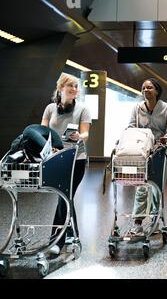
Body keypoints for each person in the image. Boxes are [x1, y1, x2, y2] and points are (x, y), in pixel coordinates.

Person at [41, 73, 92, 256]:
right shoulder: (49, 109)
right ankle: (72, 232)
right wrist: (49, 147)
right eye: (70, 85)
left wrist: (79, 136)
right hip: (55, 159)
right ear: (60, 88)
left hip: (76, 159)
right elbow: (43, 132)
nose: (74, 89)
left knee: (64, 195)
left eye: (76, 86)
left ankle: (56, 240)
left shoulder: (83, 109)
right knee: (65, 197)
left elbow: (85, 133)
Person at [128, 78, 167, 235]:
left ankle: (155, 219)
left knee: (156, 187)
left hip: (160, 152)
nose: (146, 90)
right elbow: (131, 127)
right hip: (141, 152)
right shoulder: (137, 108)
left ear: (156, 91)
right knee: (141, 186)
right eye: (143, 88)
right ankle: (137, 222)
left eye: (149, 88)